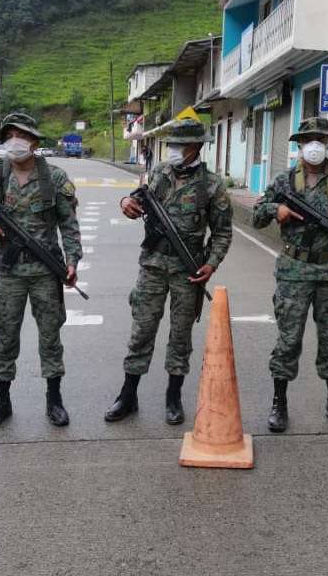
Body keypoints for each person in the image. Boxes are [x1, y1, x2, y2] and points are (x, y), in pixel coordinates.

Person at [105, 118, 232, 425]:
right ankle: (128, 395)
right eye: (171, 144)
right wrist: (126, 202)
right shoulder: (160, 172)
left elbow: (223, 232)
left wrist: (211, 263)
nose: (173, 150)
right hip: (152, 265)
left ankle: (173, 396)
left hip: (187, 271)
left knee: (180, 335)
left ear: (196, 147)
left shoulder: (212, 185)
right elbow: (139, 197)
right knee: (142, 329)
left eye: (179, 145)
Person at [252, 117, 328, 433]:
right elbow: (258, 215)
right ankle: (279, 403)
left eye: (320, 138)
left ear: (327, 143)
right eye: (309, 139)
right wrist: (277, 211)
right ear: (300, 144)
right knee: (288, 340)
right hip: (294, 272)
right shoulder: (285, 181)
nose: (315, 144)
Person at [0, 111, 82, 428]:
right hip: (8, 271)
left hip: (46, 271)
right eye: (9, 136)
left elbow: (69, 225)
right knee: (6, 337)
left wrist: (72, 260)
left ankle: (54, 399)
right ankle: (1, 400)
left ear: (34, 142)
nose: (14, 142)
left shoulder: (55, 178)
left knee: (50, 336)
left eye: (21, 136)